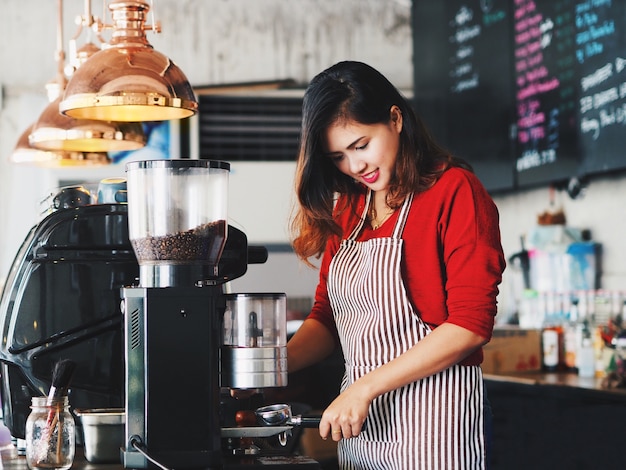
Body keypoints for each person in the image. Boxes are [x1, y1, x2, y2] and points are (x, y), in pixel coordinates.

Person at [287, 61, 506, 470]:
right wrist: (274, 364)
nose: (354, 167)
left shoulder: (454, 191)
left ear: (395, 118)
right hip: (363, 427)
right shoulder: (351, 205)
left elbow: (470, 325)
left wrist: (364, 388)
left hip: (438, 425)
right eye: (337, 156)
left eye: (361, 146)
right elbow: (327, 319)